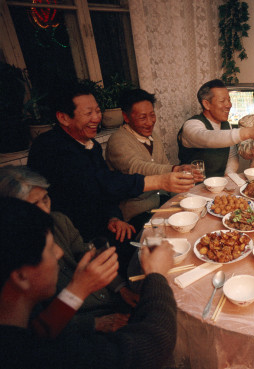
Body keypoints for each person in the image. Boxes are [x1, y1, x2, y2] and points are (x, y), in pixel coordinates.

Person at [27, 84, 196, 273]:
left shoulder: (90, 145)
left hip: (104, 222)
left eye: (98, 111)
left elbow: (102, 189)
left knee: (177, 232)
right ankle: (143, 286)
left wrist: (113, 216)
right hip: (71, 235)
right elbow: (101, 182)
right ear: (63, 117)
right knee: (148, 249)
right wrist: (160, 180)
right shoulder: (51, 148)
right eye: (88, 113)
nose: (96, 118)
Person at [0, 197, 177, 369]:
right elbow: (156, 343)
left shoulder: (17, 325)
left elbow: (41, 330)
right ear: (21, 277)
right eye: (50, 249)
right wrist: (156, 275)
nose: (60, 253)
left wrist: (77, 289)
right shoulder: (50, 356)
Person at [0, 166, 139, 335]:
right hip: (77, 325)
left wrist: (122, 289)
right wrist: (93, 323)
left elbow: (87, 255)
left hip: (109, 301)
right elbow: (36, 329)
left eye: (45, 199)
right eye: (33, 205)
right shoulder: (13, 256)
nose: (44, 210)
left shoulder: (58, 222)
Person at [106, 89, 202, 230]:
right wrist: (174, 169)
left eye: (152, 115)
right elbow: (136, 167)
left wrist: (186, 196)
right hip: (137, 214)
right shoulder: (117, 140)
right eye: (142, 117)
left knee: (196, 220)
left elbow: (163, 166)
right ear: (126, 117)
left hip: (162, 203)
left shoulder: (153, 137)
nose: (150, 122)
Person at [177, 79, 254, 177]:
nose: (228, 105)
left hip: (218, 185)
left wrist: (229, 175)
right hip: (190, 187)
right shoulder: (191, 125)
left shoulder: (226, 125)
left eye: (229, 100)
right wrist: (247, 132)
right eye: (222, 101)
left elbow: (232, 156)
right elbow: (208, 138)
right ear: (206, 104)